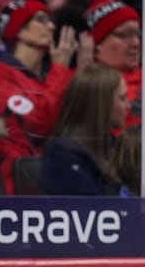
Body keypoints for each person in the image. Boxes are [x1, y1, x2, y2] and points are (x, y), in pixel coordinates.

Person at [0, 0, 80, 193]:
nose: (50, 27)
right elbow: (38, 124)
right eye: (41, 20)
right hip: (16, 190)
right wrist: (61, 68)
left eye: (51, 20)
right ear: (19, 29)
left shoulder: (50, 76)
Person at [39, 63, 130, 196]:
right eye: (122, 98)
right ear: (102, 105)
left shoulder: (114, 147)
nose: (128, 105)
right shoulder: (63, 160)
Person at [82, 0, 140, 128]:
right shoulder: (76, 85)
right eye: (125, 35)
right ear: (97, 44)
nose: (136, 43)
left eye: (138, 35)